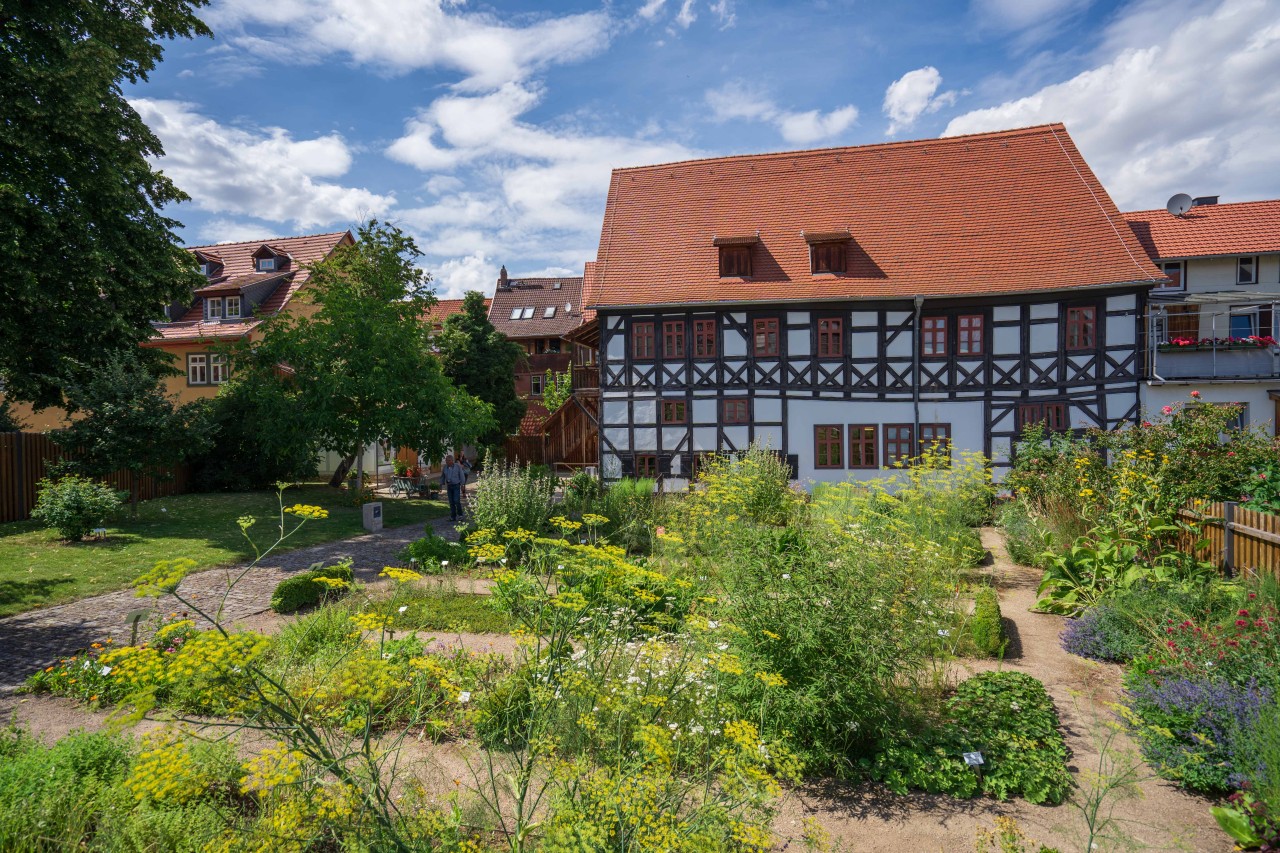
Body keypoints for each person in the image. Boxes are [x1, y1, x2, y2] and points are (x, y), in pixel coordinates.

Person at [441, 453, 468, 523]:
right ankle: (453, 516)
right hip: (449, 486)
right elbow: (442, 476)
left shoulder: (457, 467)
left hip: (456, 485)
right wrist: (441, 484)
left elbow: (462, 475)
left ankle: (460, 515)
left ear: (452, 461)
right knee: (451, 502)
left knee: (456, 500)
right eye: (446, 461)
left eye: (448, 461)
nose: (446, 462)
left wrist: (462, 485)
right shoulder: (445, 467)